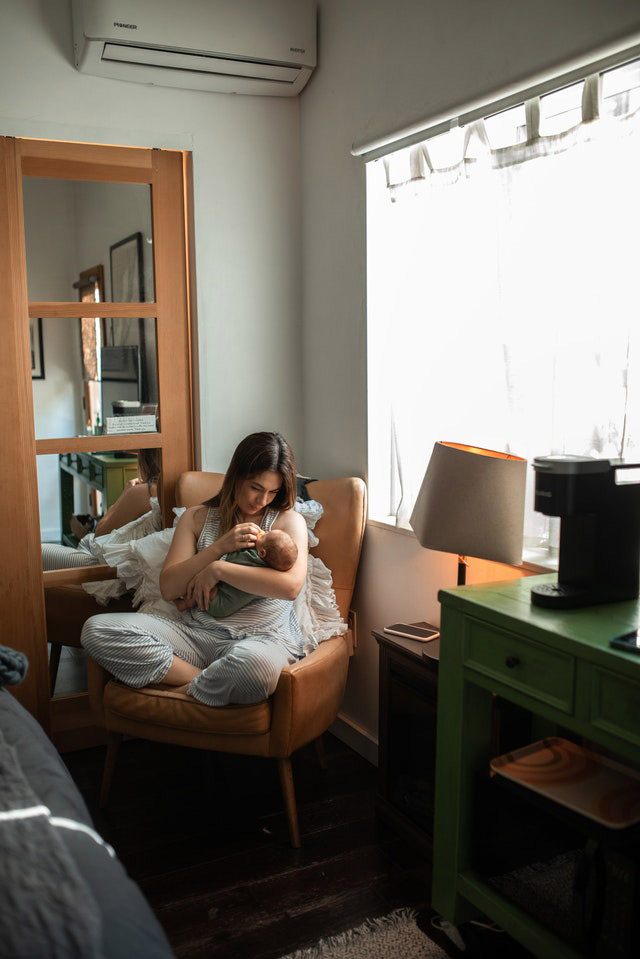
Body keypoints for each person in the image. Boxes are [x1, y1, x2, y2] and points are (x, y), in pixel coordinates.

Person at [81, 432, 308, 707]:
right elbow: (169, 588)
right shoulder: (197, 518)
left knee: (256, 668)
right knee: (96, 630)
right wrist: (217, 549)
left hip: (261, 641)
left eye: (272, 492)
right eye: (256, 488)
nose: (262, 500)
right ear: (235, 476)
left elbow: (290, 587)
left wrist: (218, 570)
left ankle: (185, 690)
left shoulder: (287, 522)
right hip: (194, 636)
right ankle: (204, 682)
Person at [41, 448, 161, 571]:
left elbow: (99, 535)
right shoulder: (173, 488)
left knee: (39, 553)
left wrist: (124, 495)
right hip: (140, 566)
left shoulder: (143, 492)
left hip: (111, 569)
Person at [173, 527, 298, 618]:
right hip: (226, 605)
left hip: (220, 601)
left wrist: (242, 546)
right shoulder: (269, 571)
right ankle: (186, 603)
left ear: (262, 553)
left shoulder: (251, 558)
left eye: (265, 536)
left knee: (201, 584)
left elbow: (232, 560)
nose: (264, 531)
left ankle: (185, 603)